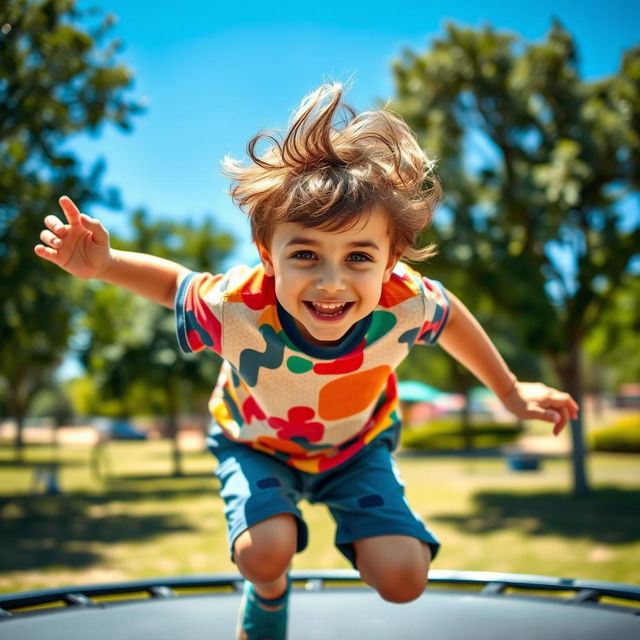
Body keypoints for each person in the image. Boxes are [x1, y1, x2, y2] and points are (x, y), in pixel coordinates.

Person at [34, 83, 579, 640]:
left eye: (359, 257)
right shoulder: (237, 305)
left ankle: (355, 542)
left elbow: (453, 318)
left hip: (355, 449)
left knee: (403, 578)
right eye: (305, 255)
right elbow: (176, 281)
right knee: (263, 554)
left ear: (391, 260)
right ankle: (268, 596)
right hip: (255, 443)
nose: (331, 281)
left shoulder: (406, 302)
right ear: (269, 255)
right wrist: (105, 266)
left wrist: (509, 391)